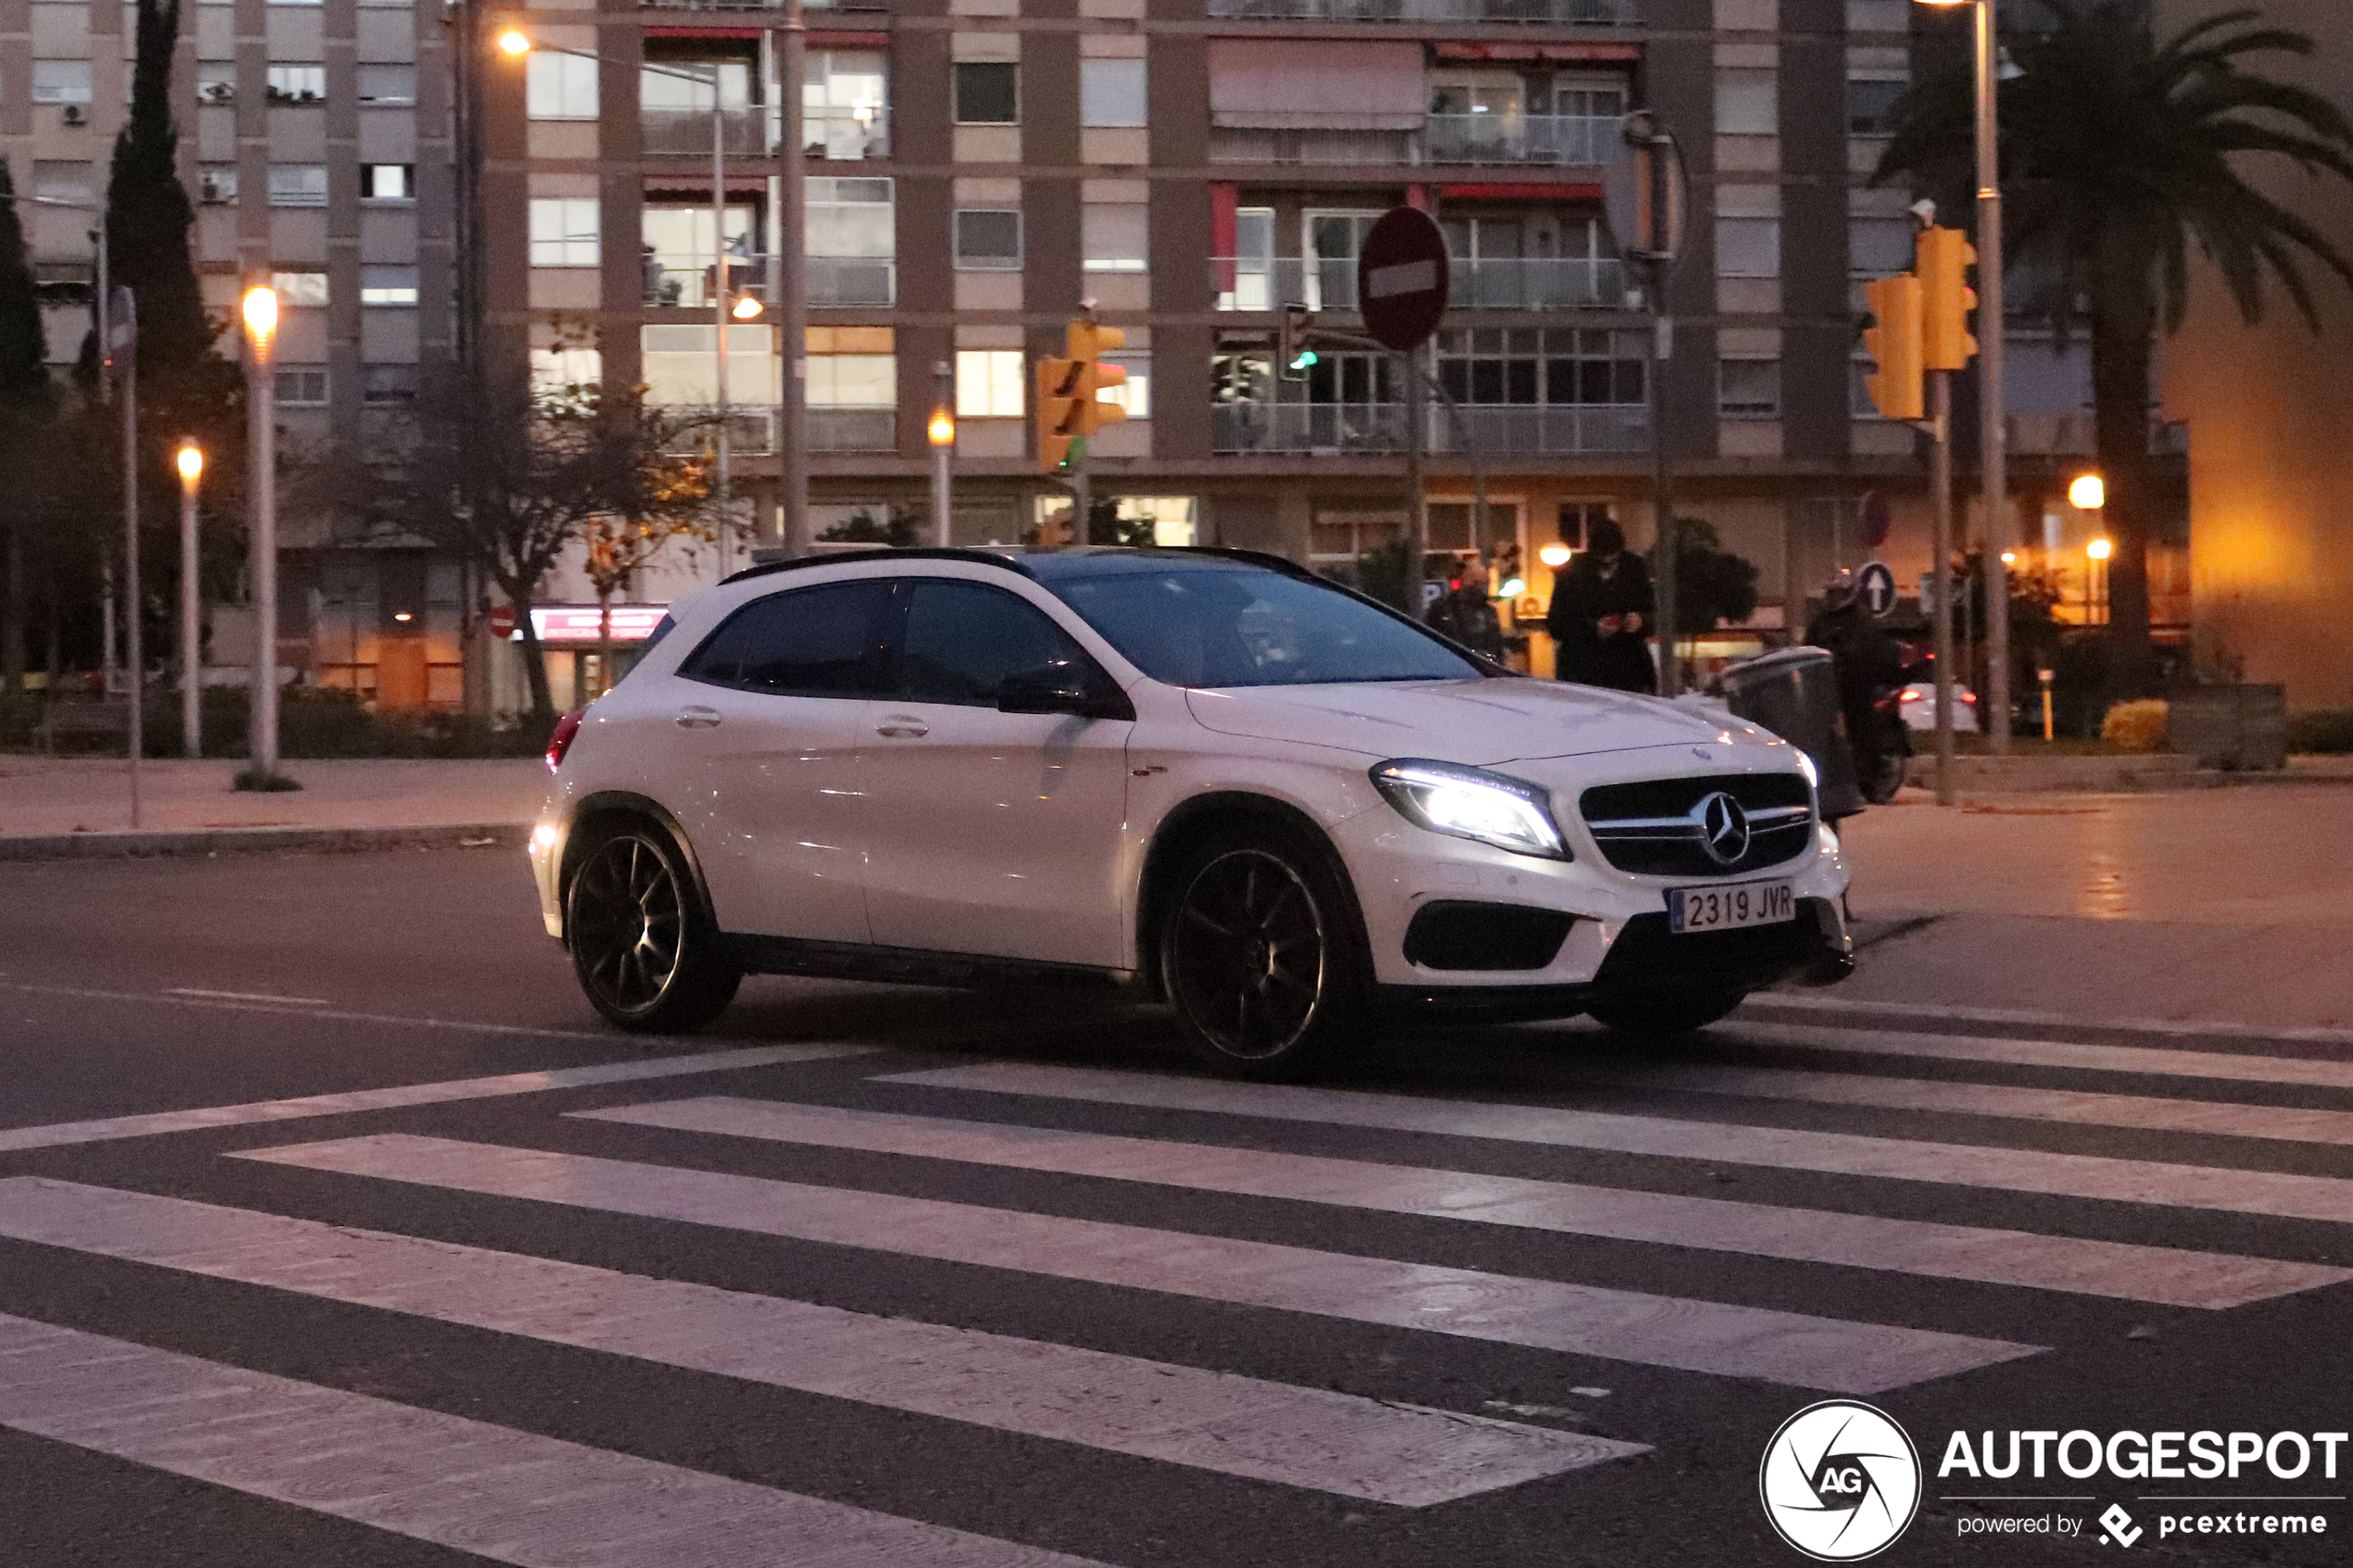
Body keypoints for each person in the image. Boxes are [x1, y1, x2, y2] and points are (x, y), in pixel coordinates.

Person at [1544, 519, 1656, 692]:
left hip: (1629, 667)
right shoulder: (1572, 571)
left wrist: (1640, 621)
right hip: (1583, 668)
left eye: (1613, 560)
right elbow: (1556, 624)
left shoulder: (1635, 567)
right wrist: (1594, 627)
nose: (1608, 563)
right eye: (1602, 560)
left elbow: (1655, 614)